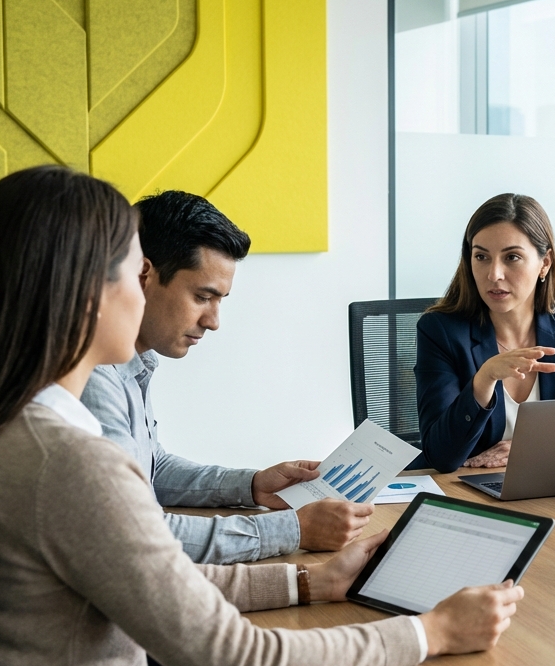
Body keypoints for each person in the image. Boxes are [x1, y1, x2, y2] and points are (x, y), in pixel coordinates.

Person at [0, 166, 525, 666]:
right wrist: (432, 631)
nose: (147, 286)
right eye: (137, 273)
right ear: (84, 293)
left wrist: (308, 583)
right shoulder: (66, 463)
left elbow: (156, 579)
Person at [80, 190, 367, 565]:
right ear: (143, 275)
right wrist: (292, 530)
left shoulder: (134, 361)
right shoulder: (93, 378)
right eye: (202, 297)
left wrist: (251, 486)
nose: (213, 322)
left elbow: (151, 467)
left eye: (220, 301)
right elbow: (135, 534)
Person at [416, 193, 555, 473]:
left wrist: (535, 448)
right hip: (469, 489)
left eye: (512, 257)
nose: (494, 274)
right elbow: (441, 456)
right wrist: (484, 379)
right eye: (481, 256)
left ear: (545, 263)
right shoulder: (440, 331)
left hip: (552, 480)